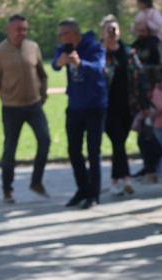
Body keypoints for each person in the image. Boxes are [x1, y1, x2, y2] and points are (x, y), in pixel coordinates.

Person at [0, 13, 51, 204]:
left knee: (45, 139)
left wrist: (43, 95)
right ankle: (7, 189)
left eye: (25, 29)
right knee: (10, 148)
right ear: (9, 29)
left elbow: (43, 74)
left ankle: (36, 181)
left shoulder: (33, 47)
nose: (22, 33)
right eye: (18, 29)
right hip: (11, 107)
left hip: (33, 105)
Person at [53, 18, 108, 209]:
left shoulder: (94, 46)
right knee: (74, 151)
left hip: (95, 106)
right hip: (75, 106)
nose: (60, 38)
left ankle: (94, 194)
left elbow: (99, 68)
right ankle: (82, 189)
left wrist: (80, 62)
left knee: (93, 151)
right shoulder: (64, 48)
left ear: (73, 33)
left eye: (62, 34)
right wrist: (60, 62)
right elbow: (54, 64)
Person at [101, 14, 150, 197]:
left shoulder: (129, 53)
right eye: (109, 29)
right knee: (117, 141)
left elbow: (141, 78)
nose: (112, 32)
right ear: (102, 32)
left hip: (128, 106)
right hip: (105, 107)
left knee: (119, 143)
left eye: (115, 29)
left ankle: (116, 181)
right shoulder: (99, 53)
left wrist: (145, 103)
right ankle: (126, 178)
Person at [148, 67, 162, 182]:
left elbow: (159, 107)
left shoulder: (157, 91)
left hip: (159, 122)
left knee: (161, 148)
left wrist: (151, 116)